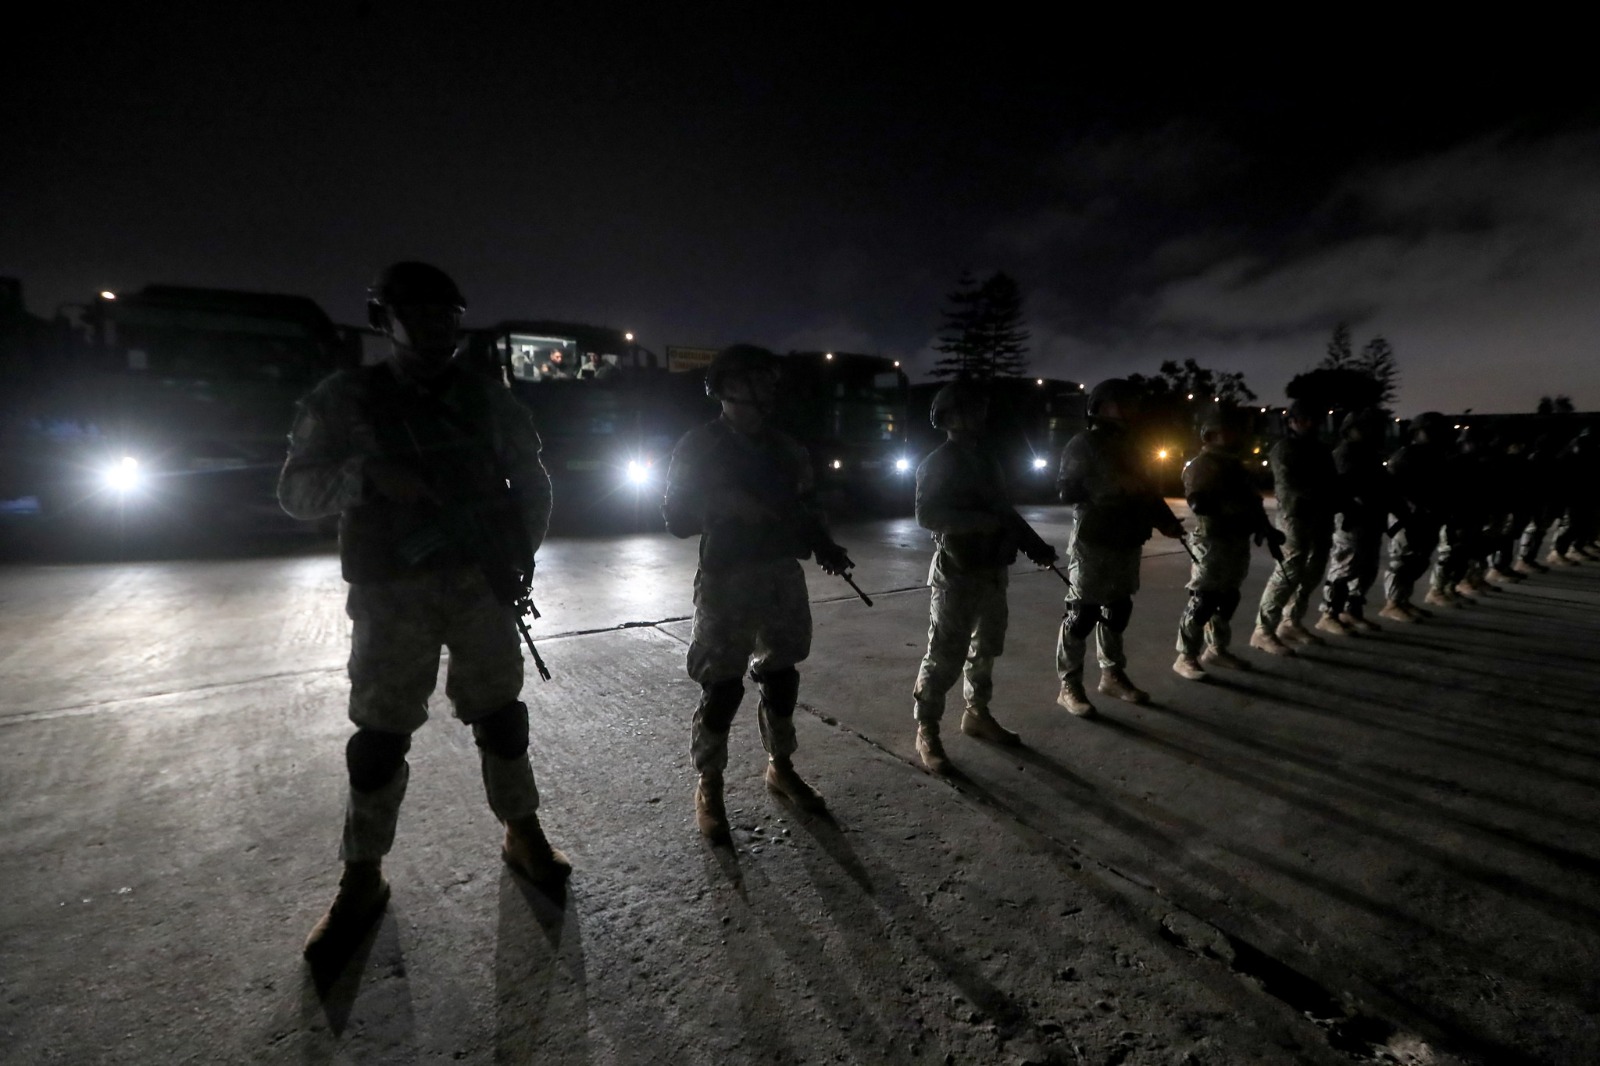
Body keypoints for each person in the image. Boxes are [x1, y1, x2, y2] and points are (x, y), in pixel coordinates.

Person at [279, 262, 569, 963]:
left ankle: (521, 830)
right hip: (391, 593)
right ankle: (362, 873)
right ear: (385, 320)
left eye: (448, 313)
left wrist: (515, 556)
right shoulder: (345, 399)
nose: (437, 326)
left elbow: (532, 484)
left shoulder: (489, 401)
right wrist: (367, 477)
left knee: (502, 717)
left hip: (477, 585)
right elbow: (296, 492)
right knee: (378, 738)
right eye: (420, 313)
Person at [661, 345, 855, 844]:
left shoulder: (786, 448)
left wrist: (825, 543)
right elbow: (676, 519)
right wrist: (724, 504)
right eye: (756, 379)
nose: (767, 388)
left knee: (782, 673)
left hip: (778, 575)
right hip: (727, 577)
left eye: (770, 380)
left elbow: (806, 507)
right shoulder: (698, 446)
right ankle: (709, 784)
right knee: (722, 686)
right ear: (726, 386)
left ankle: (781, 767)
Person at [910, 381, 1058, 775]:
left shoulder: (987, 460)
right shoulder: (938, 462)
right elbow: (927, 515)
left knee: (987, 647)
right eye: (968, 410)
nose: (977, 416)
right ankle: (927, 729)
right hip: (958, 572)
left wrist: (1035, 544)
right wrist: (984, 523)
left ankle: (977, 714)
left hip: (992, 571)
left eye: (979, 409)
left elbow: (1004, 511)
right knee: (945, 654)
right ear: (947, 418)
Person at [1054, 378, 1185, 716]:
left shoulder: (1135, 446)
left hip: (1127, 537)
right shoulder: (1083, 443)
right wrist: (1106, 488)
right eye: (1120, 403)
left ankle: (1111, 674)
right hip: (1094, 538)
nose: (1128, 410)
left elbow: (1148, 493)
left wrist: (1167, 521)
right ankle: (1069, 684)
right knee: (1082, 613)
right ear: (1099, 407)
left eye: (1131, 403)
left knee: (1118, 609)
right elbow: (1065, 489)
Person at [1173, 406, 1285, 680]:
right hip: (1212, 540)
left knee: (1228, 597)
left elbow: (1254, 503)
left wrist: (1265, 529)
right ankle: (1186, 655)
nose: (1237, 437)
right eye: (1229, 432)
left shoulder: (1235, 466)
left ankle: (1217, 649)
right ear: (1210, 435)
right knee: (1204, 600)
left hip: (1235, 539)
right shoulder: (1203, 465)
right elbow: (1199, 502)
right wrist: (1233, 507)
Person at [1252, 401, 1338, 655]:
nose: (1311, 424)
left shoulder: (1321, 450)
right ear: (1292, 422)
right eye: (1305, 419)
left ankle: (1291, 622)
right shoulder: (1285, 448)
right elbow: (1290, 486)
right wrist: (1324, 496)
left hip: (1321, 516)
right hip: (1296, 517)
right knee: (1288, 572)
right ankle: (1263, 630)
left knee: (1313, 571)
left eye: (1314, 419)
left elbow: (1333, 482)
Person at [1317, 408, 1392, 634]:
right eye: (1366, 427)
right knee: (1344, 567)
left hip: (1371, 519)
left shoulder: (1369, 453)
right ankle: (1329, 614)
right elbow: (1340, 489)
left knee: (1367, 569)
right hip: (1352, 520)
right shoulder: (1345, 454)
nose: (1373, 432)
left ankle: (1352, 611)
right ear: (1350, 430)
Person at [1381, 412, 1450, 622]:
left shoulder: (1436, 455)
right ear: (1416, 432)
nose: (1433, 435)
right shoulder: (1405, 456)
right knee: (1401, 560)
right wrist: (1409, 511)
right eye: (1428, 431)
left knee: (1417, 561)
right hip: (1408, 516)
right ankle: (1392, 603)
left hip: (1428, 516)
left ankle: (1403, 600)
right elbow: (1392, 489)